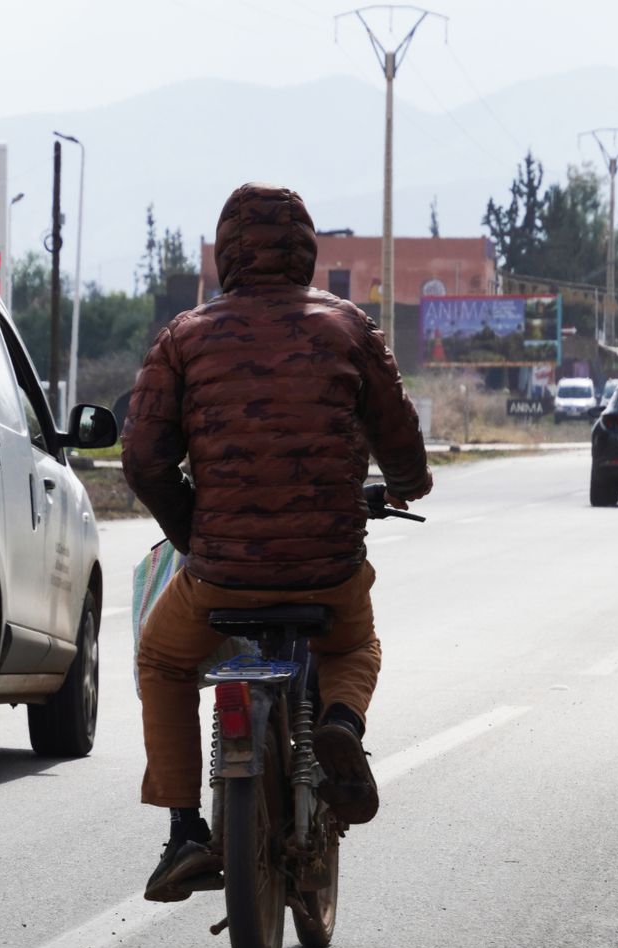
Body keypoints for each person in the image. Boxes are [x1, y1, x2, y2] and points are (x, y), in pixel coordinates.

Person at [124, 184, 432, 904]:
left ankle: (184, 832)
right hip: (328, 571)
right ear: (306, 250)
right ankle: (338, 722)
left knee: (164, 659)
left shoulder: (185, 336)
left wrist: (194, 529)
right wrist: (408, 482)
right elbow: (403, 444)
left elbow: (142, 460)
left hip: (223, 574)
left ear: (227, 251)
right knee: (354, 646)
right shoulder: (349, 327)